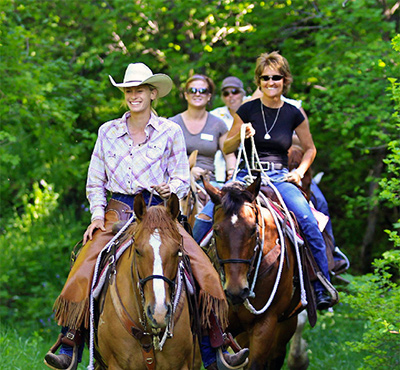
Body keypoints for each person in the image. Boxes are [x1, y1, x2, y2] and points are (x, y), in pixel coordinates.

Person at [44, 63, 248, 370]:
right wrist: (97, 216)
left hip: (160, 211)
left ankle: (215, 348)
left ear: (152, 93)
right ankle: (70, 342)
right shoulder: (108, 131)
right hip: (119, 209)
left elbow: (181, 177)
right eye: (129, 90)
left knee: (203, 269)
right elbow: (95, 180)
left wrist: (173, 188)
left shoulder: (170, 131)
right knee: (86, 263)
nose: (133, 95)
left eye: (139, 90)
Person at [222, 51, 334, 310]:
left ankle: (321, 286)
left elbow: (310, 148)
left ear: (285, 80)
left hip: (279, 176)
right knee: (206, 220)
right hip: (245, 174)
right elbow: (227, 146)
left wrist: (300, 172)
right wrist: (241, 134)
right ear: (258, 81)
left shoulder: (294, 112)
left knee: (307, 220)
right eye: (265, 78)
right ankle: (200, 288)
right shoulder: (246, 108)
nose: (271, 82)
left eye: (276, 77)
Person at [169, 74, 236, 188]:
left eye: (203, 91)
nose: (197, 94)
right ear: (186, 95)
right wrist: (188, 171)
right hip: (178, 182)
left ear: (209, 96)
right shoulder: (172, 124)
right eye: (193, 90)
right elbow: (166, 158)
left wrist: (231, 172)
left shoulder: (217, 124)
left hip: (210, 184)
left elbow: (229, 154)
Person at [211, 76, 247, 183]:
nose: (231, 96)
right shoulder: (216, 115)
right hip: (225, 161)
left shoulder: (252, 109)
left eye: (235, 92)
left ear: (243, 94)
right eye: (226, 93)